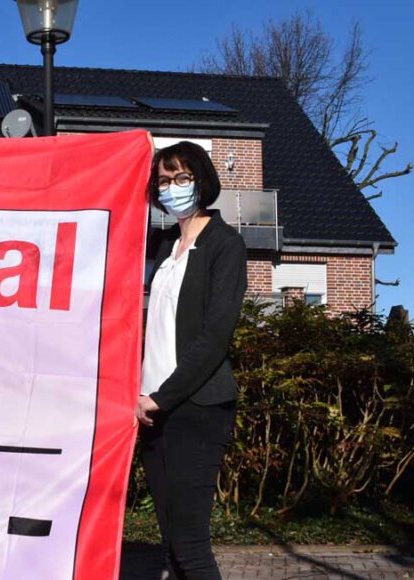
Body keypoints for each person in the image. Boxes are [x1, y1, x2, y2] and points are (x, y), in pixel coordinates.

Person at [136, 141, 247, 579]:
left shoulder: (225, 244)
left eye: (182, 178)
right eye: (164, 181)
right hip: (150, 411)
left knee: (191, 547)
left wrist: (163, 397)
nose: (172, 187)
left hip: (194, 409)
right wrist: (133, 157)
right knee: (170, 547)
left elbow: (215, 335)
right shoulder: (161, 246)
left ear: (202, 181)